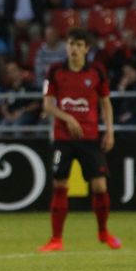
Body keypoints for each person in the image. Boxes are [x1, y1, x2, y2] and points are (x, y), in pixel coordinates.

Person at [40, 28, 120, 252]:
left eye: (78, 45)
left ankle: (103, 233)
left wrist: (110, 131)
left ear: (87, 48)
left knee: (99, 185)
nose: (73, 48)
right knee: (59, 184)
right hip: (63, 138)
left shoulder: (97, 71)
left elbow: (105, 102)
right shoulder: (55, 71)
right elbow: (47, 105)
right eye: (70, 44)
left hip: (90, 138)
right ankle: (56, 239)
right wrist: (68, 119)